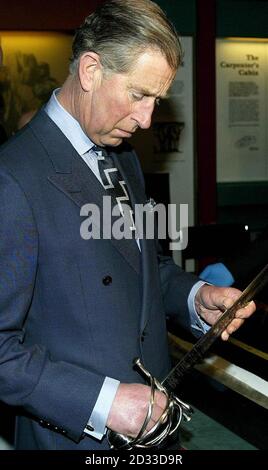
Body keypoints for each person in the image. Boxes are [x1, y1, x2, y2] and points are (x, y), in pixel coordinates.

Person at [0, 0, 255, 451]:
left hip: (155, 433)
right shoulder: (13, 177)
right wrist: (104, 402)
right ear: (91, 70)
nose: (146, 120)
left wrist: (197, 298)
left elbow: (141, 268)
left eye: (156, 100)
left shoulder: (123, 159)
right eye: (138, 95)